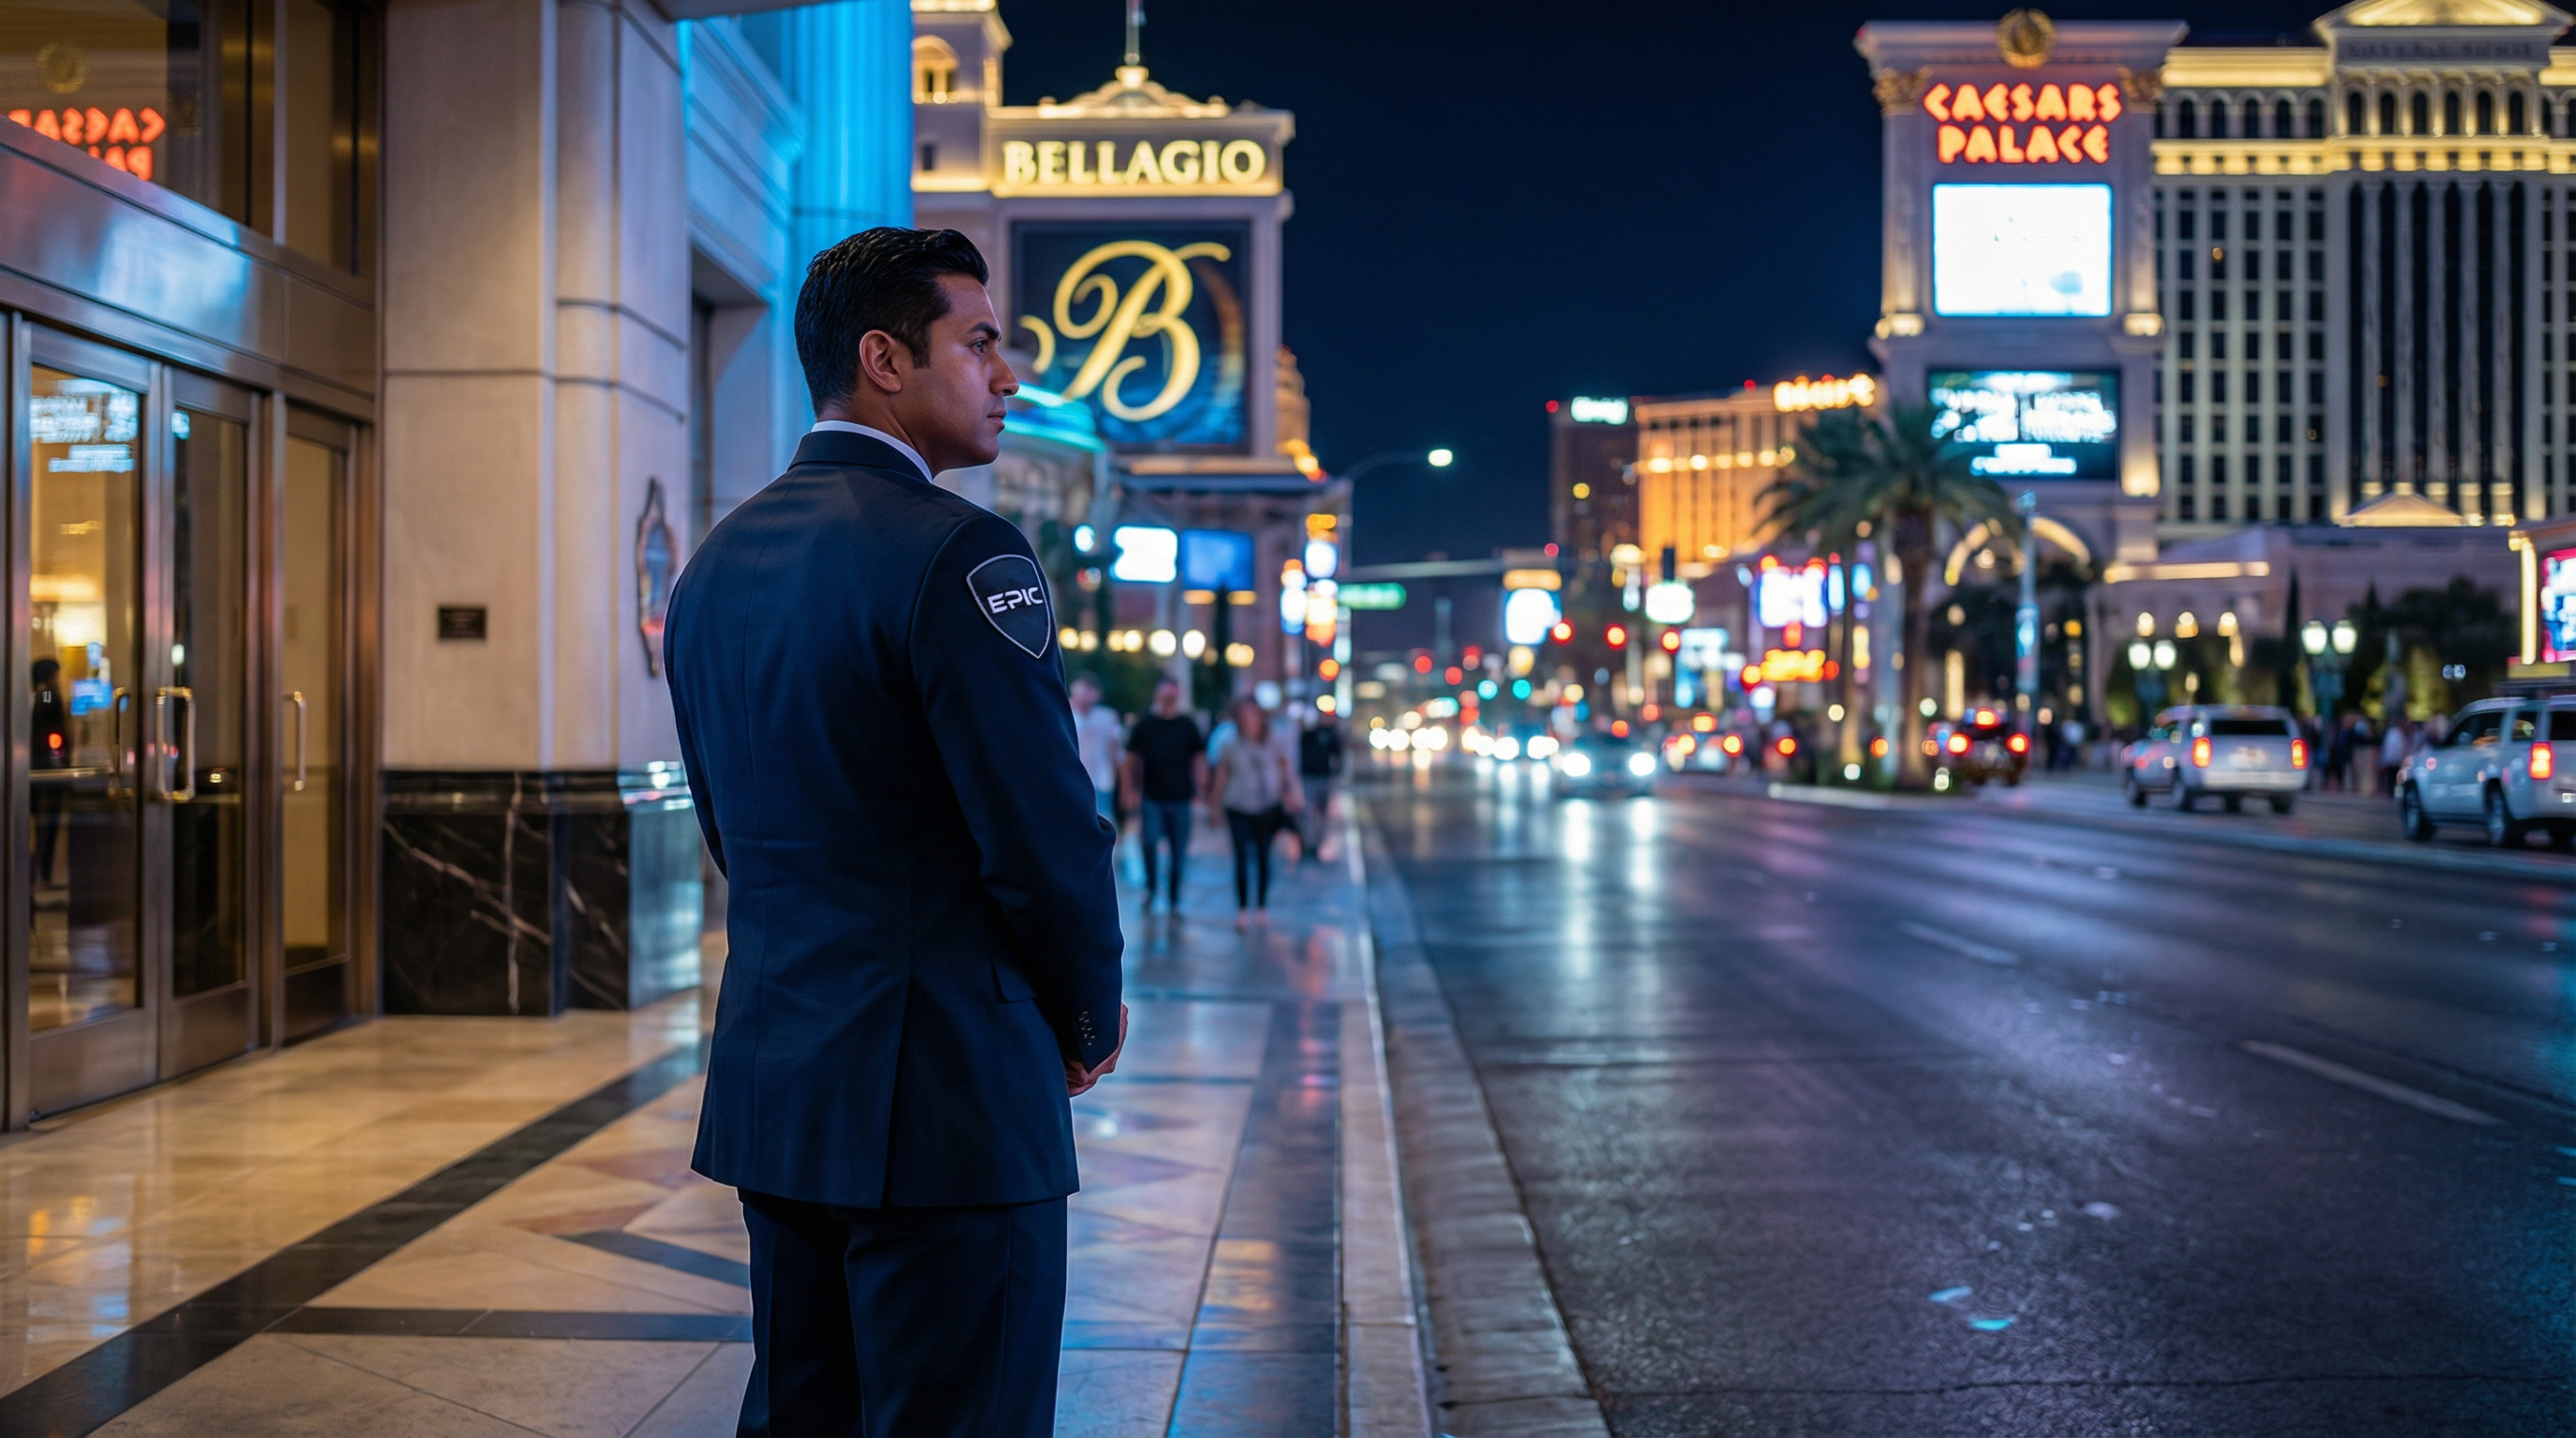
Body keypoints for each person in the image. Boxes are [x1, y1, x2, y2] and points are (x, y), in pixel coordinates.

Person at [664, 226, 1126, 1438]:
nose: (1006, 374)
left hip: (783, 1084)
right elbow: (1044, 836)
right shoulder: (966, 556)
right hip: (952, 1108)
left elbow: (728, 825)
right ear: (883, 358)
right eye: (978, 343)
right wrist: (1085, 1018)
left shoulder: (713, 566)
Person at [1208, 697, 1299, 928]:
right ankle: (1241, 911)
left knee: (1263, 857)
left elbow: (1285, 769)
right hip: (1238, 804)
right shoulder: (1229, 743)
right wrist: (1215, 806)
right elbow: (1221, 776)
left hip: (1267, 805)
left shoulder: (1274, 741)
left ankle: (1260, 907)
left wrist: (1290, 793)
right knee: (1241, 857)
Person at [1122, 679, 1205, 912]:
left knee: (1179, 851)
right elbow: (1131, 760)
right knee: (1149, 844)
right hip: (1151, 797)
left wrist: (1200, 787)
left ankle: (1174, 896)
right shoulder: (1145, 725)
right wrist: (1130, 791)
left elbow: (1198, 758)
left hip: (1181, 797)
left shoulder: (1186, 725)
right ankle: (1150, 889)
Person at [1069, 673, 1123, 823]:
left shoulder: (1107, 716)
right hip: (1074, 778)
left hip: (1102, 779)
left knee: (1103, 819)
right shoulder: (1066, 714)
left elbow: (1115, 749)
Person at [1296, 711, 1343, 862]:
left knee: (1323, 814)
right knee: (1309, 812)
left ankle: (1316, 844)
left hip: (1324, 777)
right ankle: (1309, 843)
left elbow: (1338, 755)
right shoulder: (1308, 733)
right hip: (1309, 777)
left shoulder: (1332, 734)